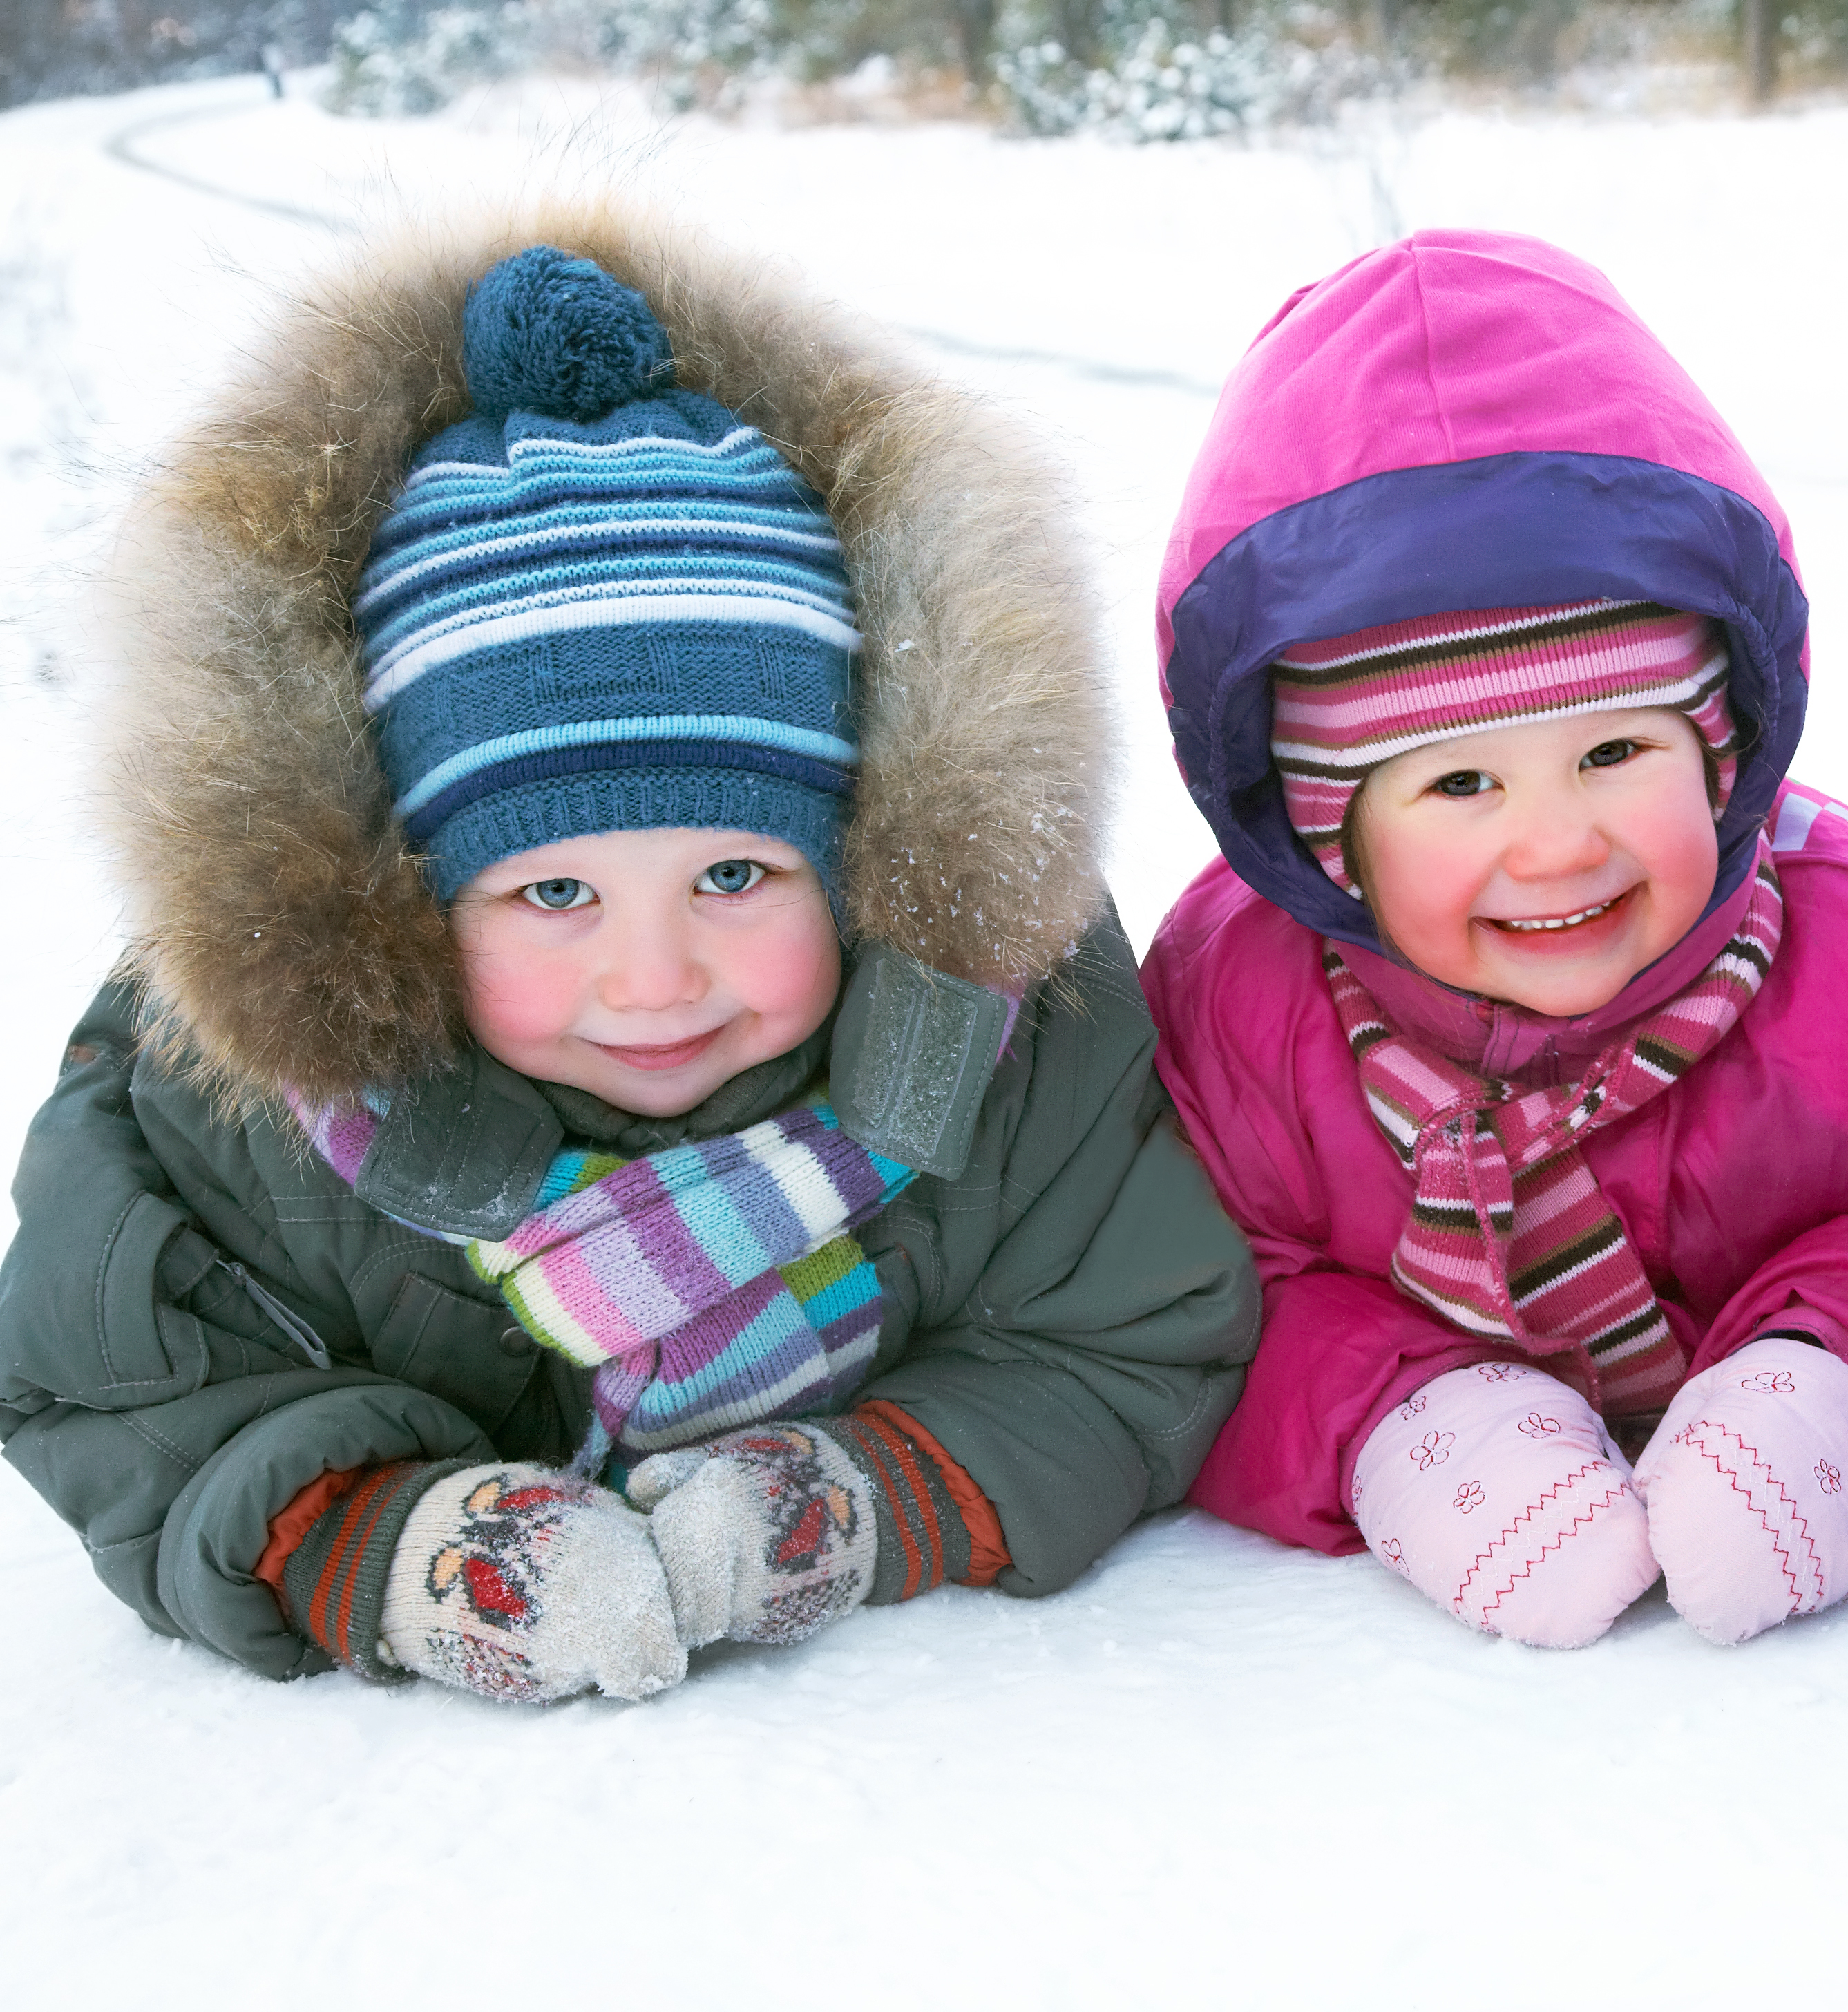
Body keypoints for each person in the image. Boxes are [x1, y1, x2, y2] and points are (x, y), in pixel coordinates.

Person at [0, 216, 1259, 1704]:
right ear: (399, 900)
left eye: (736, 874)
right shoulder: (242, 1107)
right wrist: (383, 1539)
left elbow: (1123, 1338)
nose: (657, 977)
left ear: (860, 862)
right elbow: (122, 1385)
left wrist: (861, 1496)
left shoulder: (1005, 1039)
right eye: (551, 892)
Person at [1141, 231, 1848, 1648]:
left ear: (1725, 753)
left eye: (1613, 750)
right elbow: (1196, 1291)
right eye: (1460, 784)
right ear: (1323, 833)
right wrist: (1400, 1415)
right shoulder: (1240, 1007)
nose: (1556, 846)